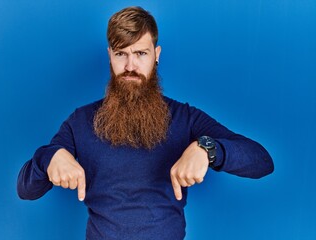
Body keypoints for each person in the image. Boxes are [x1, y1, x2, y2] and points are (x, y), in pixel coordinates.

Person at [17, 6, 274, 239]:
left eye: (141, 53)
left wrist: (207, 148)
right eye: (121, 53)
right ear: (110, 56)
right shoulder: (80, 121)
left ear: (156, 54)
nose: (131, 66)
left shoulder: (185, 118)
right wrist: (49, 158)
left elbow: (262, 161)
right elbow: (26, 190)